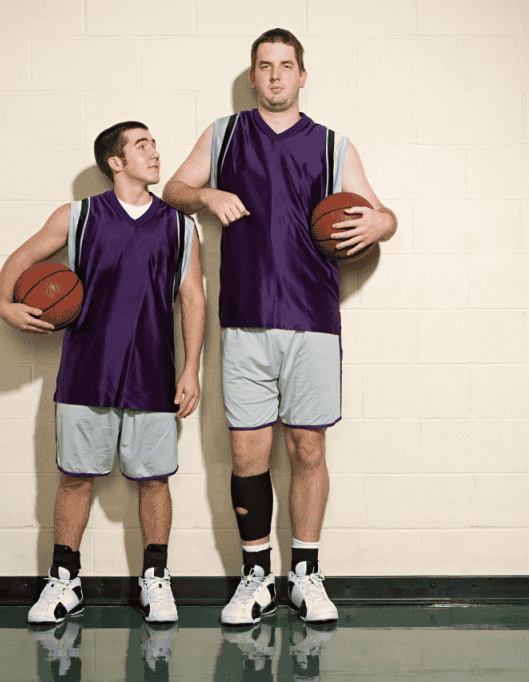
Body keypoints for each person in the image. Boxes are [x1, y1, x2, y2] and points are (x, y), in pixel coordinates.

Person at [162, 28, 397, 626]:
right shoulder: (224, 133)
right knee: (248, 455)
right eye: (264, 66)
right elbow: (173, 189)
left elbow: (383, 212)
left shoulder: (332, 145)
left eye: (285, 66)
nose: (274, 76)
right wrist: (207, 195)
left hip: (313, 319)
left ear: (301, 75)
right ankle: (255, 578)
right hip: (243, 319)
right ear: (252, 75)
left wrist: (381, 225)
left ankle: (307, 576)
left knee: (308, 447)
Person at [0, 121, 205, 625]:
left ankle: (155, 580)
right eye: (142, 146)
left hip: (153, 373)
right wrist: (6, 305)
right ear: (115, 161)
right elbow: (21, 258)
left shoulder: (180, 225)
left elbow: (193, 297)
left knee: (154, 482)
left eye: (154, 143)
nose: (155, 152)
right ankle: (64, 582)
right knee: (75, 479)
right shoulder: (79, 216)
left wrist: (192, 369)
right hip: (86, 371)